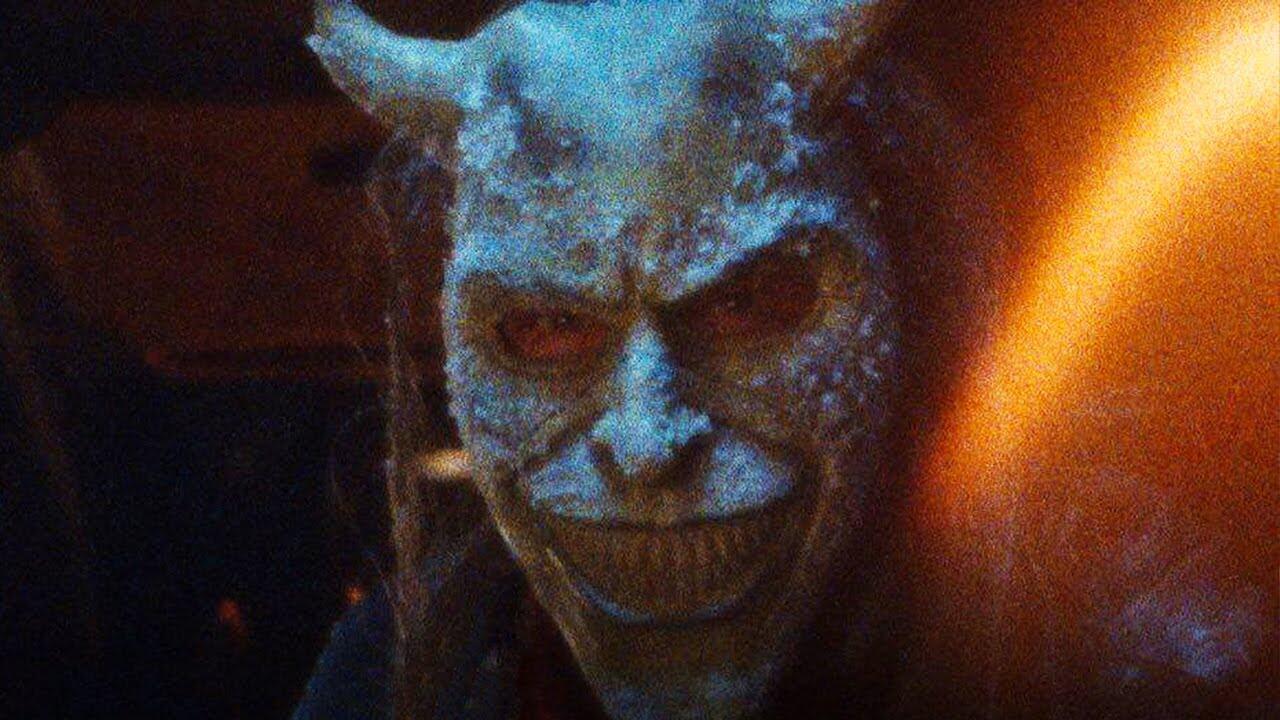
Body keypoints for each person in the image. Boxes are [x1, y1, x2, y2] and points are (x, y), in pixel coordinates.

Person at [294, 1, 1275, 718]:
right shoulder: (404, 676)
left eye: (744, 305)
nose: (647, 445)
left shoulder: (1122, 665)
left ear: (904, 297)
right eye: (549, 326)